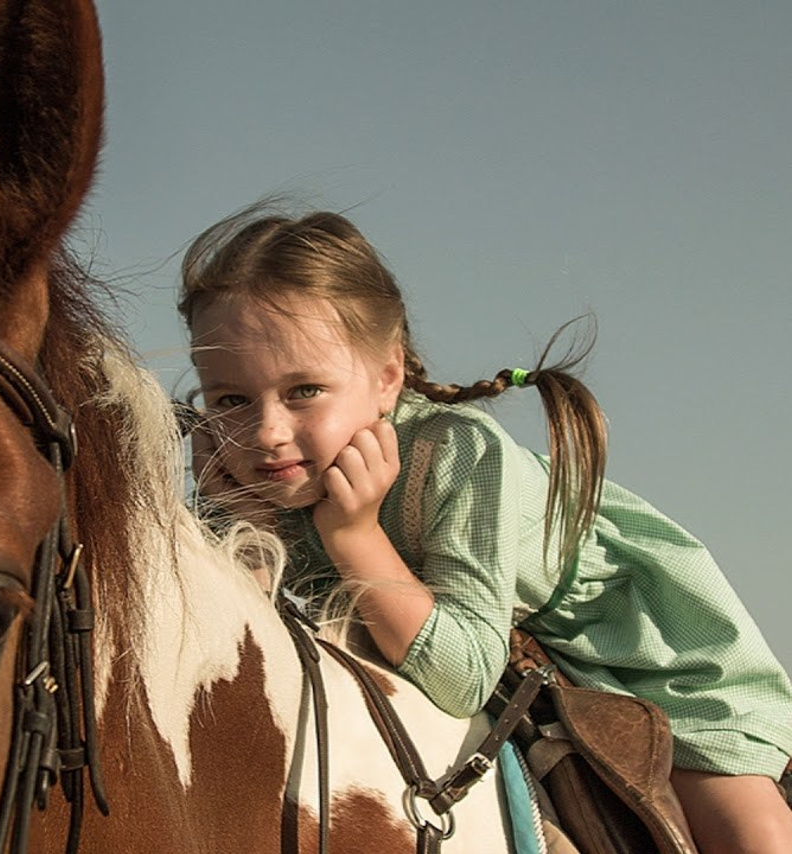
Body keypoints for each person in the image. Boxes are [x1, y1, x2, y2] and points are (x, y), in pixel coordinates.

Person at [179, 204, 792, 853]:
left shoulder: (460, 454)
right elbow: (242, 653)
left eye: (303, 391)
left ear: (387, 378)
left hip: (644, 643)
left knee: (744, 833)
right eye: (229, 400)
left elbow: (464, 675)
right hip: (484, 628)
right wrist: (239, 536)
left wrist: (355, 534)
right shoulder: (253, 475)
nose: (267, 432)